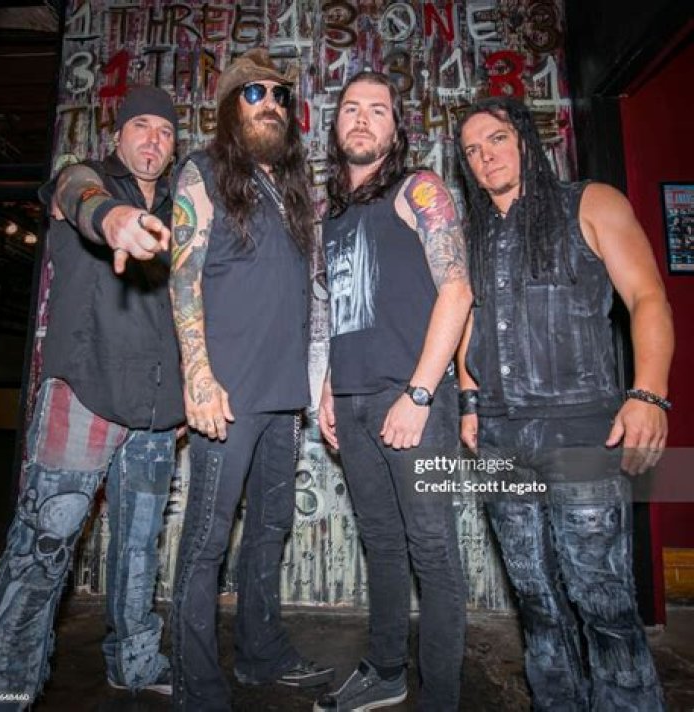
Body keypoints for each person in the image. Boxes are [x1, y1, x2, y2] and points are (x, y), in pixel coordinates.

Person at [455, 96, 673, 711]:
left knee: (603, 600)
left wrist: (649, 394)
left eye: (497, 139)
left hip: (582, 434)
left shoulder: (593, 202)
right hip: (500, 438)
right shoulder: (472, 234)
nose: (485, 156)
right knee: (536, 601)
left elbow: (648, 297)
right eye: (472, 150)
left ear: (526, 139)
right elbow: (468, 321)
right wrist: (469, 400)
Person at [0, 85, 183, 708]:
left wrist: (184, 394)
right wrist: (112, 218)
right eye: (141, 126)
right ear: (119, 135)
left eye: (165, 131)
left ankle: (135, 664)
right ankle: (1, 691)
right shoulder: (85, 179)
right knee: (41, 549)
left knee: (139, 550)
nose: (152, 139)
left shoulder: (181, 208)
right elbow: (77, 196)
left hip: (156, 409)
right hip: (83, 397)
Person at [169, 48, 334, 711]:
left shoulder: (291, 191)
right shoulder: (204, 171)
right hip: (227, 396)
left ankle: (261, 654)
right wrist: (199, 376)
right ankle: (196, 683)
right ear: (230, 106)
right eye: (256, 92)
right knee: (207, 539)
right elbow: (182, 278)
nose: (271, 104)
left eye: (281, 96)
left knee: (270, 528)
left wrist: (314, 383)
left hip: (283, 397)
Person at [316, 71, 472, 712]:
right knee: (379, 542)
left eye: (377, 109)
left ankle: (442, 697)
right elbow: (344, 309)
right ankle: (385, 671)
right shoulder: (332, 216)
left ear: (395, 128)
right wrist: (329, 386)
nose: (362, 118)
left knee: (432, 550)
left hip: (413, 403)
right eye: (351, 108)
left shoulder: (419, 189)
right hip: (352, 403)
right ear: (336, 125)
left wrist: (420, 394)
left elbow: (458, 291)